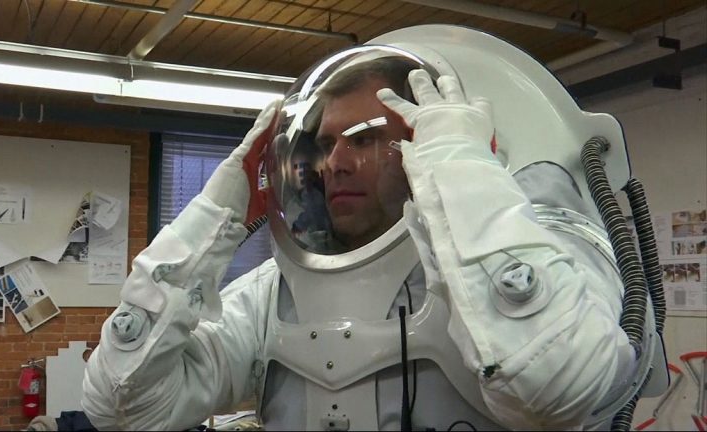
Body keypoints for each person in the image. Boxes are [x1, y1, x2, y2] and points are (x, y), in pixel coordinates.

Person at [82, 28, 663, 431]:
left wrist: (460, 171)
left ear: (426, 144)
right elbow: (122, 406)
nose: (333, 163)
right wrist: (214, 214)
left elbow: (559, 385)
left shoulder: (549, 256)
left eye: (364, 139)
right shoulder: (274, 294)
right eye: (325, 144)